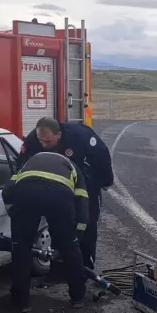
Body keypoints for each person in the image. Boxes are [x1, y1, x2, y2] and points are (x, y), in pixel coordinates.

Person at [15, 116, 113, 272]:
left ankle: (85, 267)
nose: (43, 145)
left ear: (59, 135)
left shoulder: (80, 136)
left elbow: (101, 156)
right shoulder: (34, 139)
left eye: (48, 142)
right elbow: (22, 163)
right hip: (55, 189)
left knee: (86, 224)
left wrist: (105, 181)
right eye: (41, 141)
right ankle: (59, 266)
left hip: (85, 185)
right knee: (59, 227)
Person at [2, 149, 89, 313]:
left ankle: (20, 303)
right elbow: (82, 202)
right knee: (70, 250)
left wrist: (14, 212)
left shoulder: (27, 164)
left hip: (27, 194)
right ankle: (77, 298)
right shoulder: (74, 168)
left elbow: (7, 191)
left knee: (21, 251)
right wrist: (76, 236)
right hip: (59, 197)